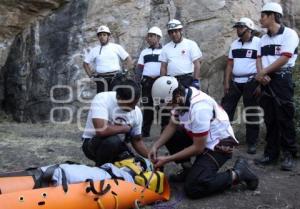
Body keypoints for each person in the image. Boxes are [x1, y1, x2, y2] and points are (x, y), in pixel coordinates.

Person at [148, 76, 259, 199]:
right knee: (169, 133)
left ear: (177, 95)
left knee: (193, 187)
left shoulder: (199, 108)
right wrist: (155, 146)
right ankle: (189, 170)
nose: (170, 108)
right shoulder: (181, 97)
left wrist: (167, 159)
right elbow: (172, 125)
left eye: (169, 104)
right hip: (201, 139)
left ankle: (238, 174)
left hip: (219, 145)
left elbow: (198, 148)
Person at [254, 2, 299, 171]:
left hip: (281, 79)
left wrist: (263, 72)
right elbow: (258, 58)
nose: (260, 19)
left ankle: (289, 154)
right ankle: (271, 154)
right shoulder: (263, 39)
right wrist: (261, 75)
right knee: (270, 118)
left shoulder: (289, 34)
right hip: (265, 79)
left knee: (285, 116)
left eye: (263, 16)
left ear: (272, 15)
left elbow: (285, 58)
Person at [81, 79, 149, 166]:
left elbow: (137, 140)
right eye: (129, 104)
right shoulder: (102, 99)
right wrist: (125, 128)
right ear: (118, 98)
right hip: (91, 144)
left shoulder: (136, 112)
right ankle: (100, 171)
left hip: (118, 146)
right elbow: (101, 130)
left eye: (135, 104)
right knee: (113, 141)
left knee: (134, 165)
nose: (132, 108)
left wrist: (150, 157)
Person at [222, 17, 261, 154]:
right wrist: (226, 82)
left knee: (251, 112)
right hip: (235, 82)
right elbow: (229, 64)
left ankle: (252, 143)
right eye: (237, 27)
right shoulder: (234, 44)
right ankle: (225, 139)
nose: (238, 29)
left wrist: (260, 84)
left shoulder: (258, 43)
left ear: (249, 29)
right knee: (225, 111)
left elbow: (262, 63)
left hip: (252, 81)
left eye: (241, 27)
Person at [159, 19, 202, 130]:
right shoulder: (166, 48)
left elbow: (197, 64)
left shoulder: (191, 44)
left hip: (187, 79)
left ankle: (189, 130)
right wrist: (162, 82)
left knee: (187, 105)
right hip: (171, 80)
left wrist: (196, 81)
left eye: (176, 31)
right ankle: (167, 130)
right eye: (171, 32)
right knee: (169, 105)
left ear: (181, 30)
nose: (174, 34)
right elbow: (163, 66)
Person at [83, 25, 133, 93]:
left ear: (108, 36)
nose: (102, 37)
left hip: (115, 78)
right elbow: (85, 63)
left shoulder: (116, 47)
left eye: (104, 35)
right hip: (101, 79)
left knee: (115, 99)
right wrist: (91, 76)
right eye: (100, 35)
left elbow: (128, 59)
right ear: (98, 37)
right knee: (102, 99)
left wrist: (125, 72)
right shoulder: (94, 50)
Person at [137, 26, 163, 137]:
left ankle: (164, 132)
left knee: (162, 106)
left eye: (151, 36)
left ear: (158, 38)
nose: (148, 38)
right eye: (148, 36)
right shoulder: (144, 52)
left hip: (160, 82)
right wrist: (138, 81)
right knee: (147, 106)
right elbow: (139, 68)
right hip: (147, 82)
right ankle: (145, 131)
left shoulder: (164, 51)